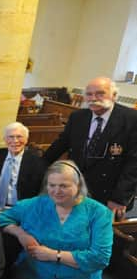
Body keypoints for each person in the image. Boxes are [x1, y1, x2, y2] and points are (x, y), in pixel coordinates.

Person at [0, 160, 112, 279]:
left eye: (64, 186)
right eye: (52, 185)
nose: (56, 191)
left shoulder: (98, 212)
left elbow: (100, 258)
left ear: (78, 186)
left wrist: (54, 255)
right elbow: (1, 217)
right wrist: (21, 233)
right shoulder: (35, 204)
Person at [44, 76, 137, 221]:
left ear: (114, 95)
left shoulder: (132, 119)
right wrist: (34, 166)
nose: (93, 98)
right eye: (89, 94)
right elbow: (59, 146)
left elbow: (134, 163)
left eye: (100, 93)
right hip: (77, 189)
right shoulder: (78, 117)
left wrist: (120, 198)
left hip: (109, 196)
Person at [0, 122, 46, 210]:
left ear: (26, 139)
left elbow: (40, 188)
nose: (15, 141)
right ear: (5, 139)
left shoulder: (36, 161)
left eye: (19, 137)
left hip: (21, 209)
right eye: (11, 137)